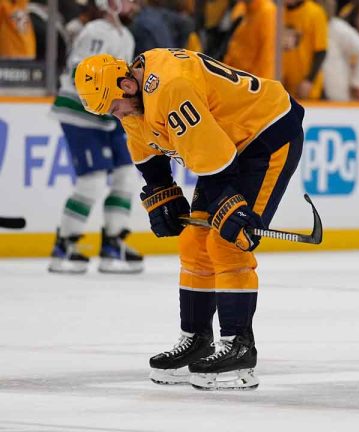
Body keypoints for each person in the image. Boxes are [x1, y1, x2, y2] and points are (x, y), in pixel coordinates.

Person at [74, 48, 305, 390]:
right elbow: (150, 156)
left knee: (228, 240)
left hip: (265, 133)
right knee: (194, 241)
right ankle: (197, 339)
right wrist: (161, 192)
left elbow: (215, 162)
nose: (116, 114)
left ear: (126, 84)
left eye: (113, 106)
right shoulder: (132, 96)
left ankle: (239, 345)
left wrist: (228, 204)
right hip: (226, 144)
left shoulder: (170, 86)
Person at [49, 0, 143, 274]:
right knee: (92, 181)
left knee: (126, 173)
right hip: (80, 113)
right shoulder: (95, 31)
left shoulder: (126, 36)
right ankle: (64, 245)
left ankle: (113, 243)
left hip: (109, 115)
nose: (134, 6)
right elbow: (78, 70)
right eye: (130, 1)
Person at [317, 0, 359, 101]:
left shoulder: (337, 27)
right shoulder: (310, 24)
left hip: (336, 95)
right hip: (312, 92)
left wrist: (357, 83)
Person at [282, 0, 328, 99]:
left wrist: (309, 80)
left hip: (306, 86)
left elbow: (321, 51)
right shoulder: (277, 12)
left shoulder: (315, 12)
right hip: (283, 85)